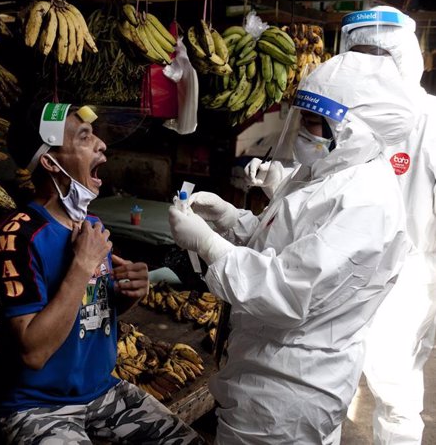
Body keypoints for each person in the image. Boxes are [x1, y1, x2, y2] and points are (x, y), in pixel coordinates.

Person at [168, 51, 414, 444]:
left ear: (351, 128)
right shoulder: (327, 171)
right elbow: (286, 246)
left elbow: (287, 289)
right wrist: (233, 220)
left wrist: (209, 245)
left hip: (289, 389)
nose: (302, 129)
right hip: (265, 369)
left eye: (313, 121)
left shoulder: (367, 202)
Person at [0, 102, 203, 444]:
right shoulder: (17, 238)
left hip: (103, 393)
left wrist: (126, 295)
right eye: (85, 137)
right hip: (36, 408)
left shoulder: (92, 225)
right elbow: (33, 352)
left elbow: (89, 315)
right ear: (50, 161)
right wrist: (82, 265)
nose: (101, 144)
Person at [338, 6, 436, 445]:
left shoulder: (429, 120)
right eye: (361, 53)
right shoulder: (341, 113)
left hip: (406, 281)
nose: (370, 64)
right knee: (328, 389)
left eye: (381, 53)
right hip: (338, 273)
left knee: (395, 394)